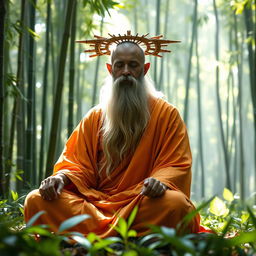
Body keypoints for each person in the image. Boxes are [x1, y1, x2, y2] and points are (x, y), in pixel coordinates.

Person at [24, 33, 200, 238]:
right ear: (110, 69)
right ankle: (128, 235)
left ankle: (91, 235)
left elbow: (176, 163)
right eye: (120, 65)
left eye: (133, 65)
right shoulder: (95, 117)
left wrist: (159, 181)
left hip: (141, 202)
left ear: (145, 69)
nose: (126, 72)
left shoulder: (166, 114)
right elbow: (76, 164)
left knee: (176, 205)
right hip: (94, 205)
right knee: (36, 200)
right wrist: (61, 177)